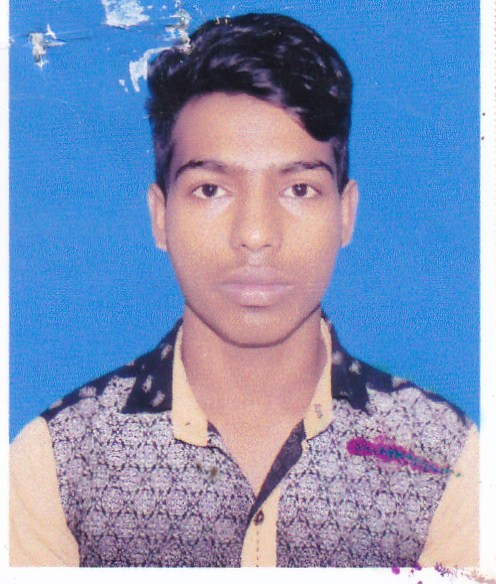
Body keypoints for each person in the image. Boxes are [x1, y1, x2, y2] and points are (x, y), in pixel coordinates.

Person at [10, 12, 478, 568]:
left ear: (345, 214)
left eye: (299, 189)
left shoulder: (444, 457)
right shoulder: (58, 462)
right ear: (160, 217)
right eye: (211, 189)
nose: (255, 235)